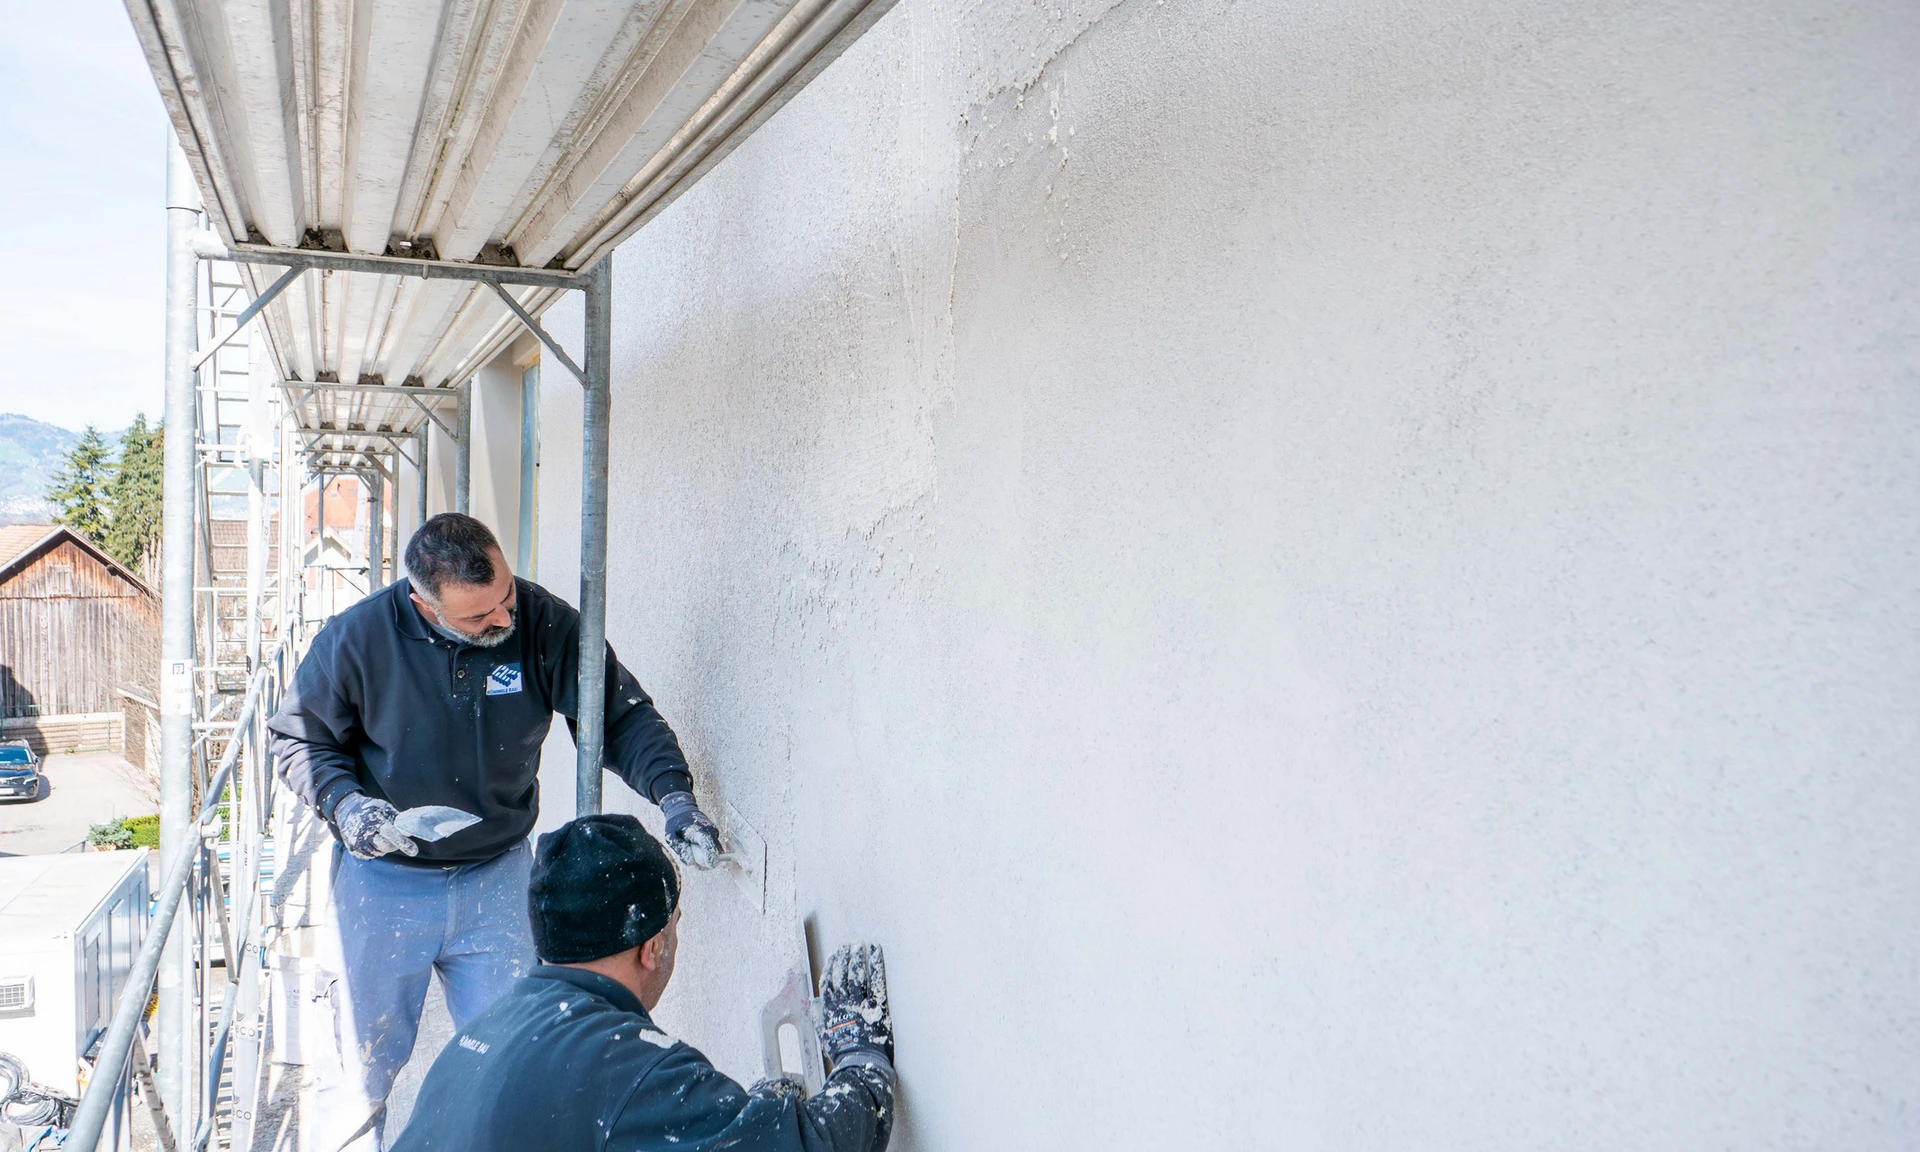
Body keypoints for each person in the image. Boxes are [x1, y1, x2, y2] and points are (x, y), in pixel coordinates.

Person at [267, 513, 727, 1150]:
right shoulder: (358, 640)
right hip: (384, 884)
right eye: (479, 618)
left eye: (505, 597)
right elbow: (298, 739)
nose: (504, 621)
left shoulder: (540, 624)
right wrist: (346, 807)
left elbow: (620, 718)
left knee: (517, 1060)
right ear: (424, 606)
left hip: (498, 877)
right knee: (357, 1074)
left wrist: (675, 799)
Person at [389, 815, 896, 1152]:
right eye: (676, 922)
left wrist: (742, 1123)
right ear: (652, 947)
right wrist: (861, 1062)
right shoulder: (634, 1066)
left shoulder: (491, 1028)